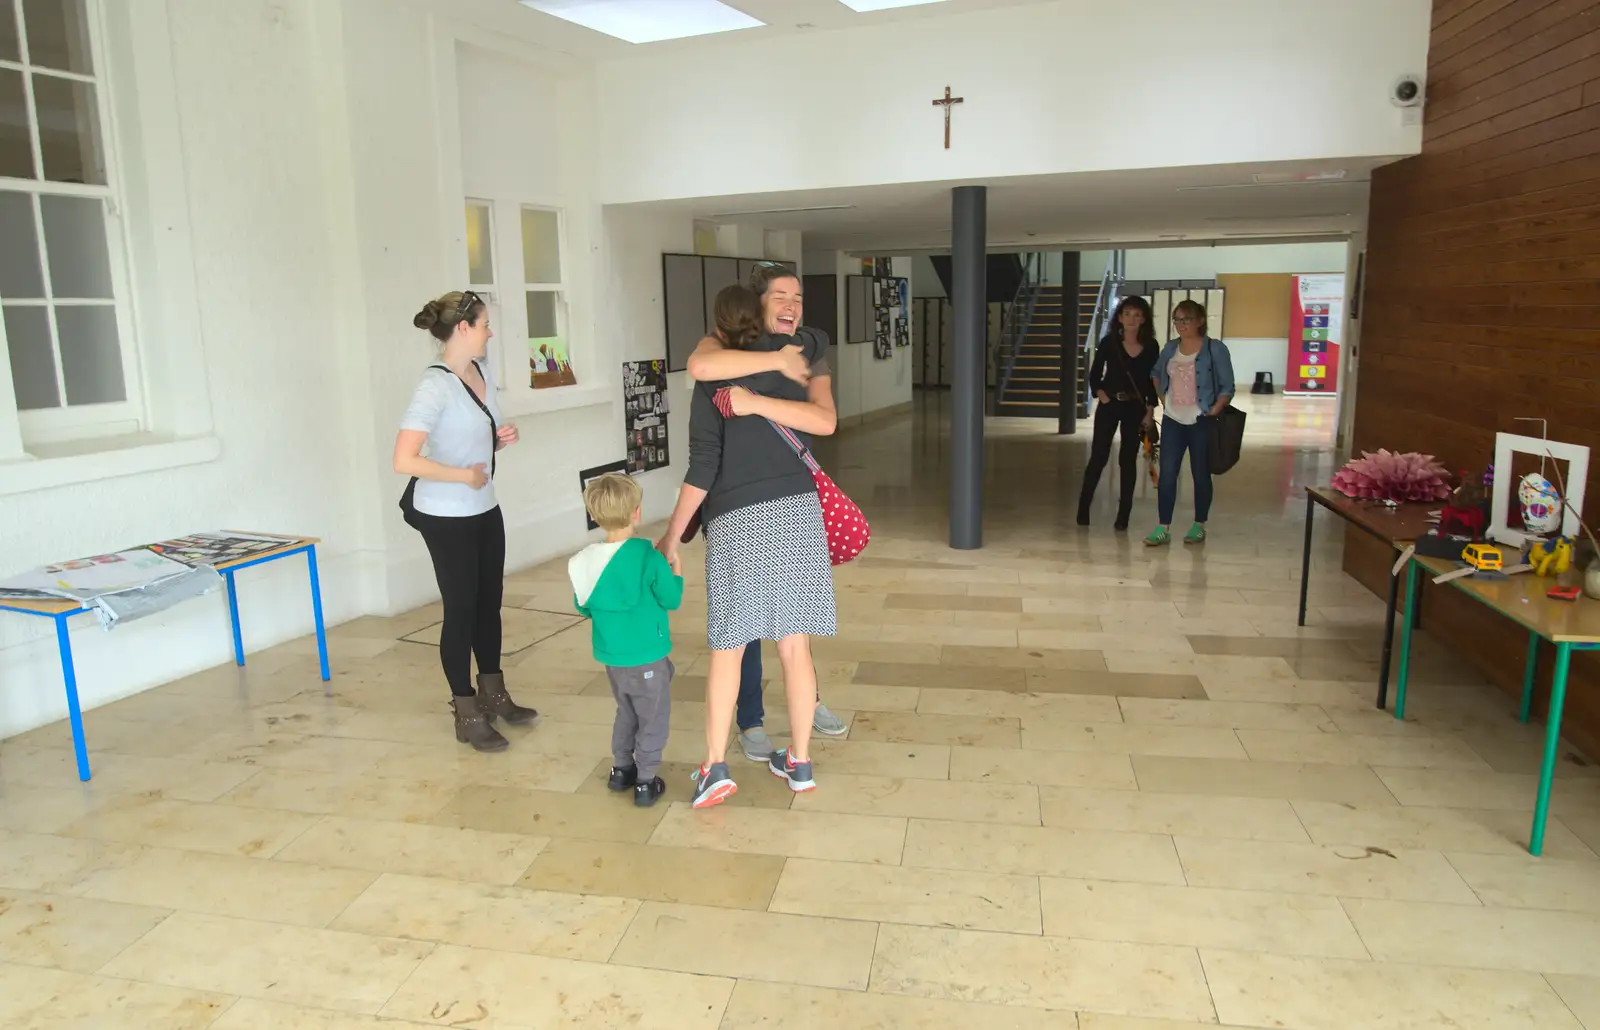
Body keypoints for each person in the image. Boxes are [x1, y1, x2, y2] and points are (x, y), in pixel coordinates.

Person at [660, 274, 838, 809]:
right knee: (795, 644)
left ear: (719, 322)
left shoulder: (726, 376)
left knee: (728, 650)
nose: (792, 307)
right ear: (757, 310)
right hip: (798, 510)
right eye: (780, 298)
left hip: (738, 519)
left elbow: (702, 468)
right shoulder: (791, 358)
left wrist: (671, 536)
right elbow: (705, 361)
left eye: (797, 299)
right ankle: (800, 762)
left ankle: (715, 768)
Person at [394, 290, 538, 751]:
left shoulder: (481, 371)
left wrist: (497, 440)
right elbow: (404, 459)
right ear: (462, 329)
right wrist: (461, 475)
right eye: (484, 324)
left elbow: (472, 437)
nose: (490, 332)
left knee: (489, 603)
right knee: (460, 611)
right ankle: (465, 707)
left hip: (484, 507)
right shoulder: (433, 386)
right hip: (446, 515)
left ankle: (494, 692)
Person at [570, 473, 684, 808]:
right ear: (637, 512)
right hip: (648, 656)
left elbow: (583, 606)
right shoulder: (648, 555)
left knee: (627, 710)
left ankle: (621, 770)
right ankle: (646, 781)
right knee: (653, 716)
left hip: (612, 659)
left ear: (594, 515)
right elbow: (670, 599)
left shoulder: (582, 562)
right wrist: (675, 570)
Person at [1146, 299, 1235, 546]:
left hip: (1201, 420)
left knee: (1200, 474)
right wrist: (1163, 398)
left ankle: (1199, 524)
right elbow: (1155, 373)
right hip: (1173, 420)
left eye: (1186, 319)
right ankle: (1163, 526)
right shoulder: (1170, 348)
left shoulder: (1214, 349)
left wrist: (1215, 409)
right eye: (1177, 319)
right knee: (1167, 475)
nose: (1181, 324)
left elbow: (1228, 386)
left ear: (1200, 321)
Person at [1077, 296, 1159, 531]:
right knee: (1099, 456)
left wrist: (1150, 409)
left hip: (1135, 407)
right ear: (1119, 317)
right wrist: (1100, 392)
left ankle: (1124, 515)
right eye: (1127, 314)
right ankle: (1083, 507)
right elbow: (1094, 375)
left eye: (1137, 315)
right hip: (1110, 405)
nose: (1132, 319)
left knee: (1128, 460)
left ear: (1144, 319)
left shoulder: (1151, 346)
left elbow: (1151, 381)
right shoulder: (1109, 342)